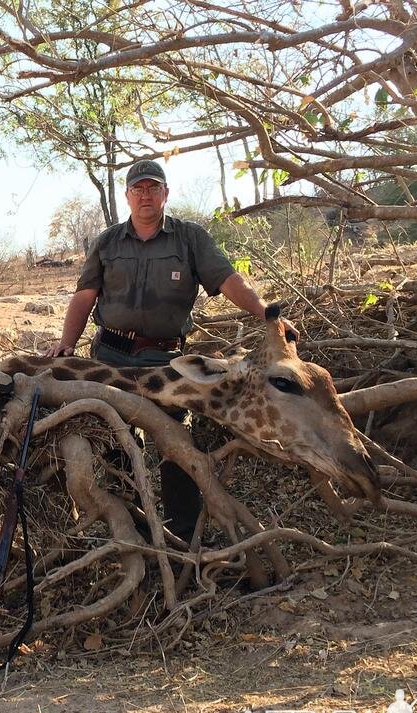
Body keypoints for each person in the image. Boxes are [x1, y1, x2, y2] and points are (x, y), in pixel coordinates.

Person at [44, 159, 297, 540]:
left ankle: (183, 533)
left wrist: (265, 313)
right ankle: (131, 529)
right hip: (111, 358)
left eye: (153, 188)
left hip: (165, 361)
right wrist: (66, 343)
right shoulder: (107, 242)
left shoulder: (189, 238)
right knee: (116, 441)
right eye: (138, 189)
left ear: (165, 193)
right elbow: (84, 298)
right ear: (127, 195)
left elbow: (228, 280)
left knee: (176, 439)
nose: (145, 195)